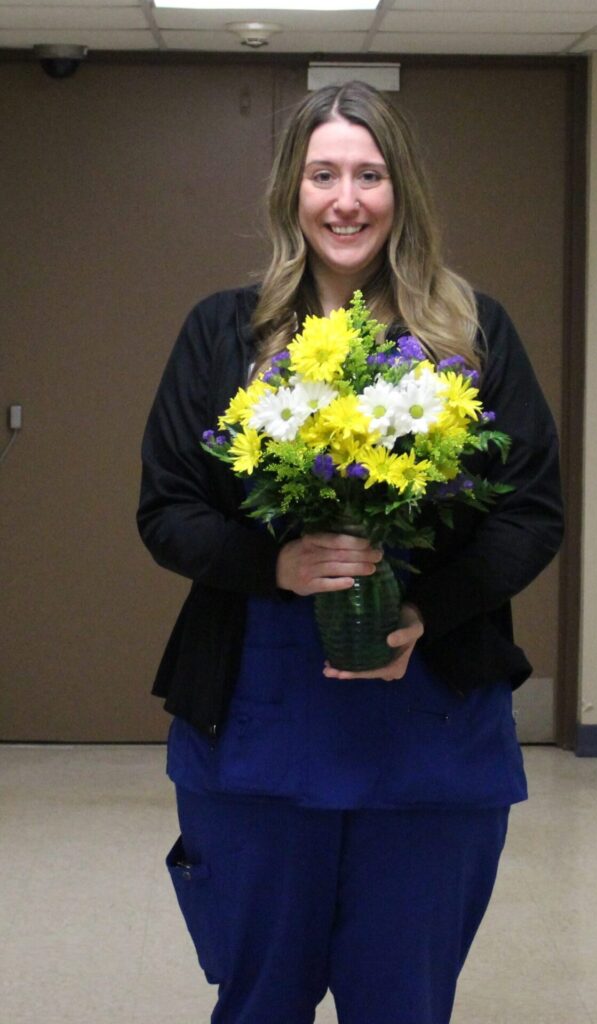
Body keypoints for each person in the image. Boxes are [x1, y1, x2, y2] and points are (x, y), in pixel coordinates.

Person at [137, 80, 563, 1024]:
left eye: (370, 175)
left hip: (429, 735)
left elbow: (531, 514)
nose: (347, 199)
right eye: (324, 173)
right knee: (258, 1004)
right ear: (292, 189)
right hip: (254, 730)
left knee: (403, 1005)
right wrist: (275, 567)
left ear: (401, 190)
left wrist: (423, 611)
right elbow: (167, 509)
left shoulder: (471, 334)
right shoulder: (223, 334)